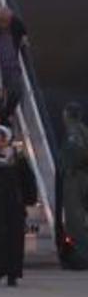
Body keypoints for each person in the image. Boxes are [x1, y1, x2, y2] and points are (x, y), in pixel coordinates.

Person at [0, 126, 38, 286]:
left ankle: (12, 274)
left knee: (14, 240)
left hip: (13, 205)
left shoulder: (18, 158)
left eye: (2, 139)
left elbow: (28, 181)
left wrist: (29, 199)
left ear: (8, 140)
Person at [0, 7, 28, 120]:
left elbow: (24, 34)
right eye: (0, 20)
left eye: (5, 20)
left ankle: (8, 113)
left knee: (17, 90)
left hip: (12, 67)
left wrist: (24, 40)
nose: (2, 23)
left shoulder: (16, 25)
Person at [60, 103, 88, 270]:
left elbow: (76, 152)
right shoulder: (84, 129)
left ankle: (82, 256)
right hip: (83, 176)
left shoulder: (74, 132)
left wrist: (68, 166)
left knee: (74, 220)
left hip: (76, 178)